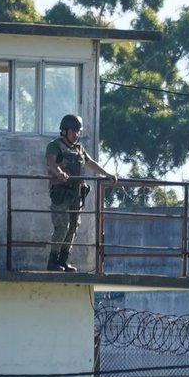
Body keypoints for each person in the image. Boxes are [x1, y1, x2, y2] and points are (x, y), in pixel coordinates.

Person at [44, 113, 116, 271]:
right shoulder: (55, 145)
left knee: (73, 227)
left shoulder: (79, 148)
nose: (76, 134)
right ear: (64, 131)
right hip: (61, 192)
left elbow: (90, 163)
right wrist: (58, 173)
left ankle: (63, 260)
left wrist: (107, 174)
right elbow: (50, 161)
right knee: (62, 226)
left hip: (76, 193)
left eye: (78, 131)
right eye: (73, 131)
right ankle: (52, 261)